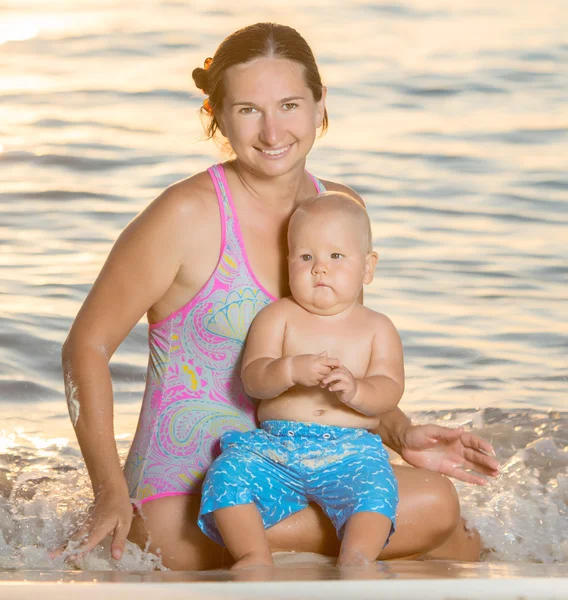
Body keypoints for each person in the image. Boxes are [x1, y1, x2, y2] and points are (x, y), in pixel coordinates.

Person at [60, 22, 499, 570]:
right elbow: (87, 346)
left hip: (315, 470)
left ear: (319, 105)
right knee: (436, 518)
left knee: (442, 518)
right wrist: (106, 490)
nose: (272, 132)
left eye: (289, 104)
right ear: (216, 115)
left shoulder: (337, 209)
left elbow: (336, 357)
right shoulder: (185, 215)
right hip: (193, 498)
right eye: (248, 110)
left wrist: (399, 430)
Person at [198, 192, 401, 569]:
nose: (319, 269)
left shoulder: (377, 328)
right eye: (306, 257)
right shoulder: (278, 317)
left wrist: (357, 390)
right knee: (226, 473)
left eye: (336, 256)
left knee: (377, 489)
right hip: (276, 447)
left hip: (352, 450)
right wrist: (288, 370)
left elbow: (389, 390)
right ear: (288, 263)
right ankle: (252, 555)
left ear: (368, 267)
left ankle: (357, 558)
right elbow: (253, 380)